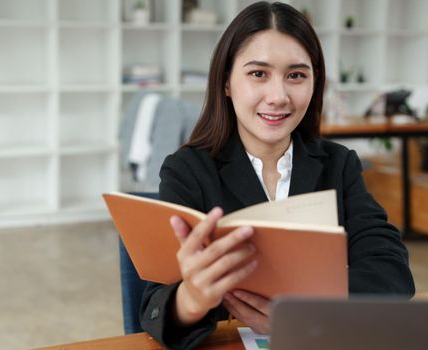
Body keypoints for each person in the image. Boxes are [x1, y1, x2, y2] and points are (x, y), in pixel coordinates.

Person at [139, 2, 416, 349]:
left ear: (315, 82)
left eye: (296, 75)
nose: (278, 96)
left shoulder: (339, 164)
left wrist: (307, 308)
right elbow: (155, 306)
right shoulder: (188, 171)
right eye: (258, 74)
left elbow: (392, 273)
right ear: (226, 82)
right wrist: (192, 298)